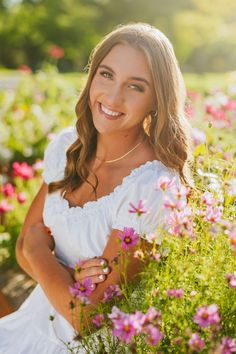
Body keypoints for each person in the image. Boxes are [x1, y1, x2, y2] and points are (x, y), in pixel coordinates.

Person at [0, 22, 192, 353]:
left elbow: (87, 320)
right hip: (33, 325)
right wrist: (67, 277)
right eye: (106, 75)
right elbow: (19, 249)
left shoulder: (154, 184)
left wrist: (38, 251)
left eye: (135, 86)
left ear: (157, 98)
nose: (113, 97)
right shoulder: (67, 145)